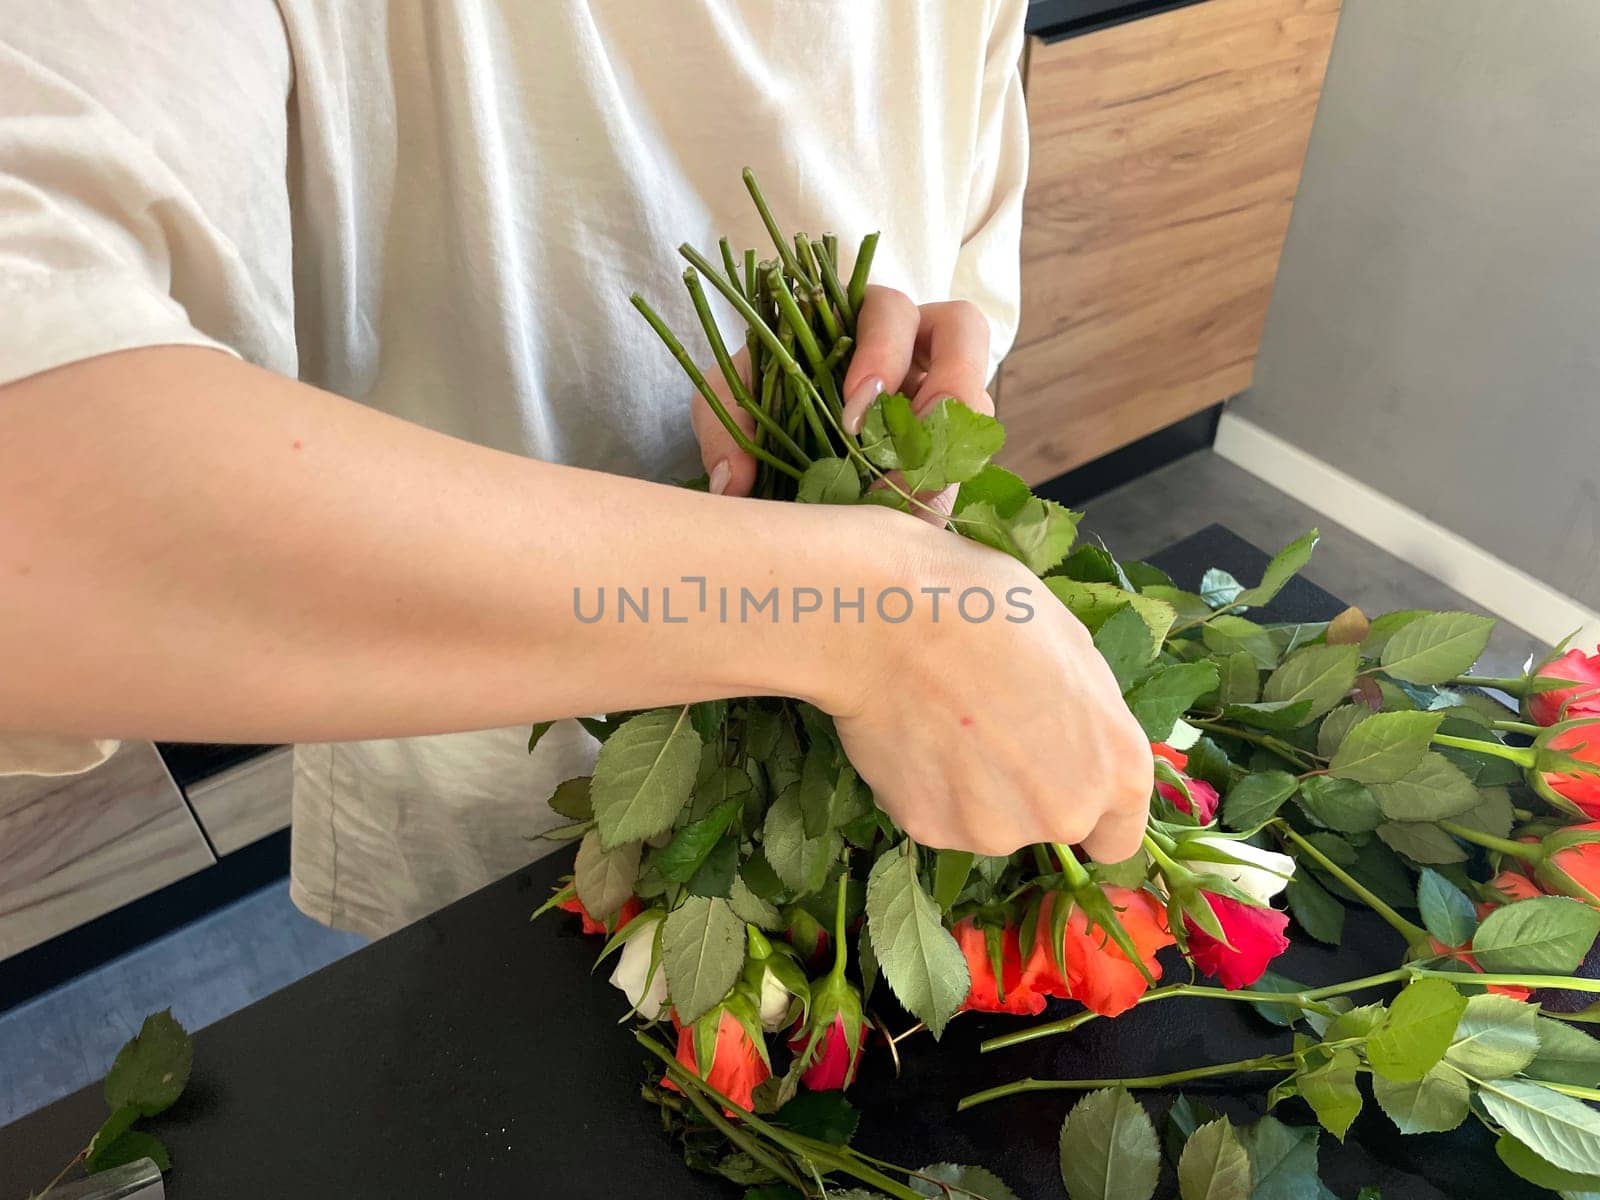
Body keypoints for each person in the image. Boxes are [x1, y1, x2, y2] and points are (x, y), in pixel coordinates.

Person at [0, 1, 1152, 940]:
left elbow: (955, 240)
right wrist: (867, 612)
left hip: (871, 782)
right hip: (496, 795)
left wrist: (917, 389)